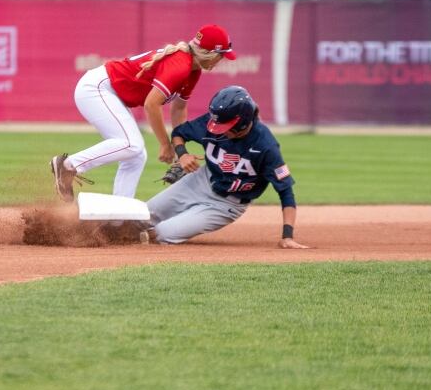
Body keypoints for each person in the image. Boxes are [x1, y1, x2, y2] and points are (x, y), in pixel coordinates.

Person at [51, 24, 236, 201]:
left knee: (137, 155)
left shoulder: (193, 71)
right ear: (210, 53)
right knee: (132, 145)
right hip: (97, 88)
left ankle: (119, 216)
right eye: (221, 55)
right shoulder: (180, 65)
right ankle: (69, 165)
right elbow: (151, 105)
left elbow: (179, 108)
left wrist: (180, 150)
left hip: (110, 92)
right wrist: (165, 144)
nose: (222, 60)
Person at [142, 85, 309, 248]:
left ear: (243, 122)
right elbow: (179, 133)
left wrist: (287, 236)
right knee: (142, 217)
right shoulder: (213, 122)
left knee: (164, 233)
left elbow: (285, 190)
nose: (217, 130)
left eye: (224, 126)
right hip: (200, 181)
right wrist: (183, 154)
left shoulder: (266, 146)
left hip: (227, 204)